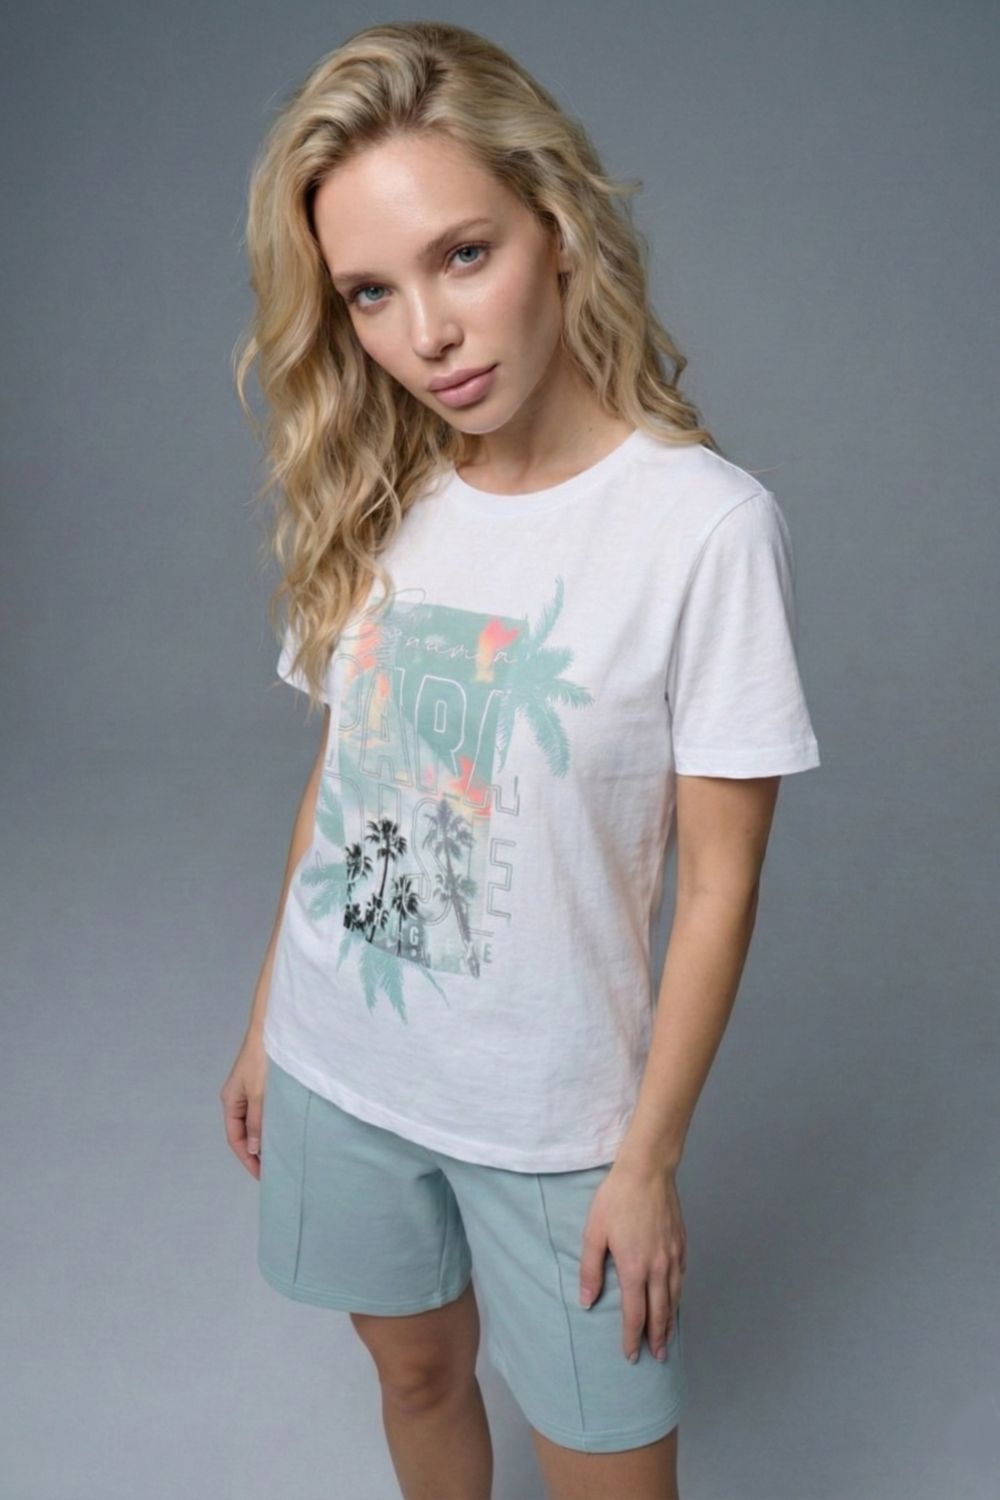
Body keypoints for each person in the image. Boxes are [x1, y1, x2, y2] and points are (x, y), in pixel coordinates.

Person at [219, 20, 821, 1500]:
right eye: (371, 292)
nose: (427, 332)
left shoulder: (703, 529)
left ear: (555, 226)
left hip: (555, 1123)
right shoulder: (382, 493)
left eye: (463, 255)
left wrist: (647, 1159)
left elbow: (722, 884)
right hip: (340, 1065)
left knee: (607, 1464)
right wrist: (266, 1021)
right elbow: (343, 786)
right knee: (417, 1377)